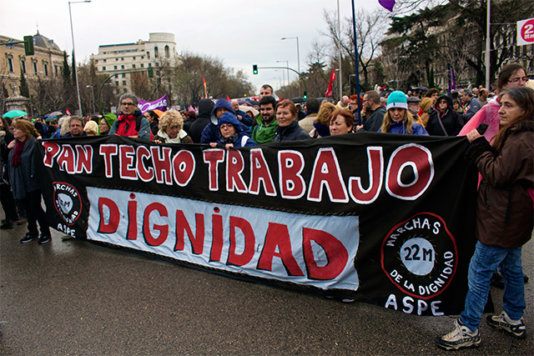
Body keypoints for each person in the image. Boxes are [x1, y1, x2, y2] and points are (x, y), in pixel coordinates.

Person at [436, 86, 534, 351]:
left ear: (525, 110)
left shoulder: (522, 140)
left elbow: (497, 174)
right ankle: (513, 316)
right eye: (501, 104)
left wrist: (477, 145)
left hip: (503, 218)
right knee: (512, 267)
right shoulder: (518, 135)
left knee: (479, 270)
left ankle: (468, 328)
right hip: (512, 216)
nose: (501, 110)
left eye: (509, 105)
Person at [8, 120, 51, 244]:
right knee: (27, 210)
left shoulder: (34, 144)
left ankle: (45, 232)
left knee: (35, 208)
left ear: (24, 131)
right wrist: (8, 149)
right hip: (20, 183)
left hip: (33, 183)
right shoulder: (14, 145)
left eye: (16, 128)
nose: (14, 131)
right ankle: (32, 231)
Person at [460, 63, 528, 141]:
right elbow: (464, 135)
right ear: (504, 84)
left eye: (524, 79)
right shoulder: (491, 109)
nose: (522, 83)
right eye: (516, 80)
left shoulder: (530, 105)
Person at [0, 117, 19, 229]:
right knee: (4, 195)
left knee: (6, 194)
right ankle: (11, 215)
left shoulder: (7, 136)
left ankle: (10, 217)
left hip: (5, 168)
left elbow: (9, 153)